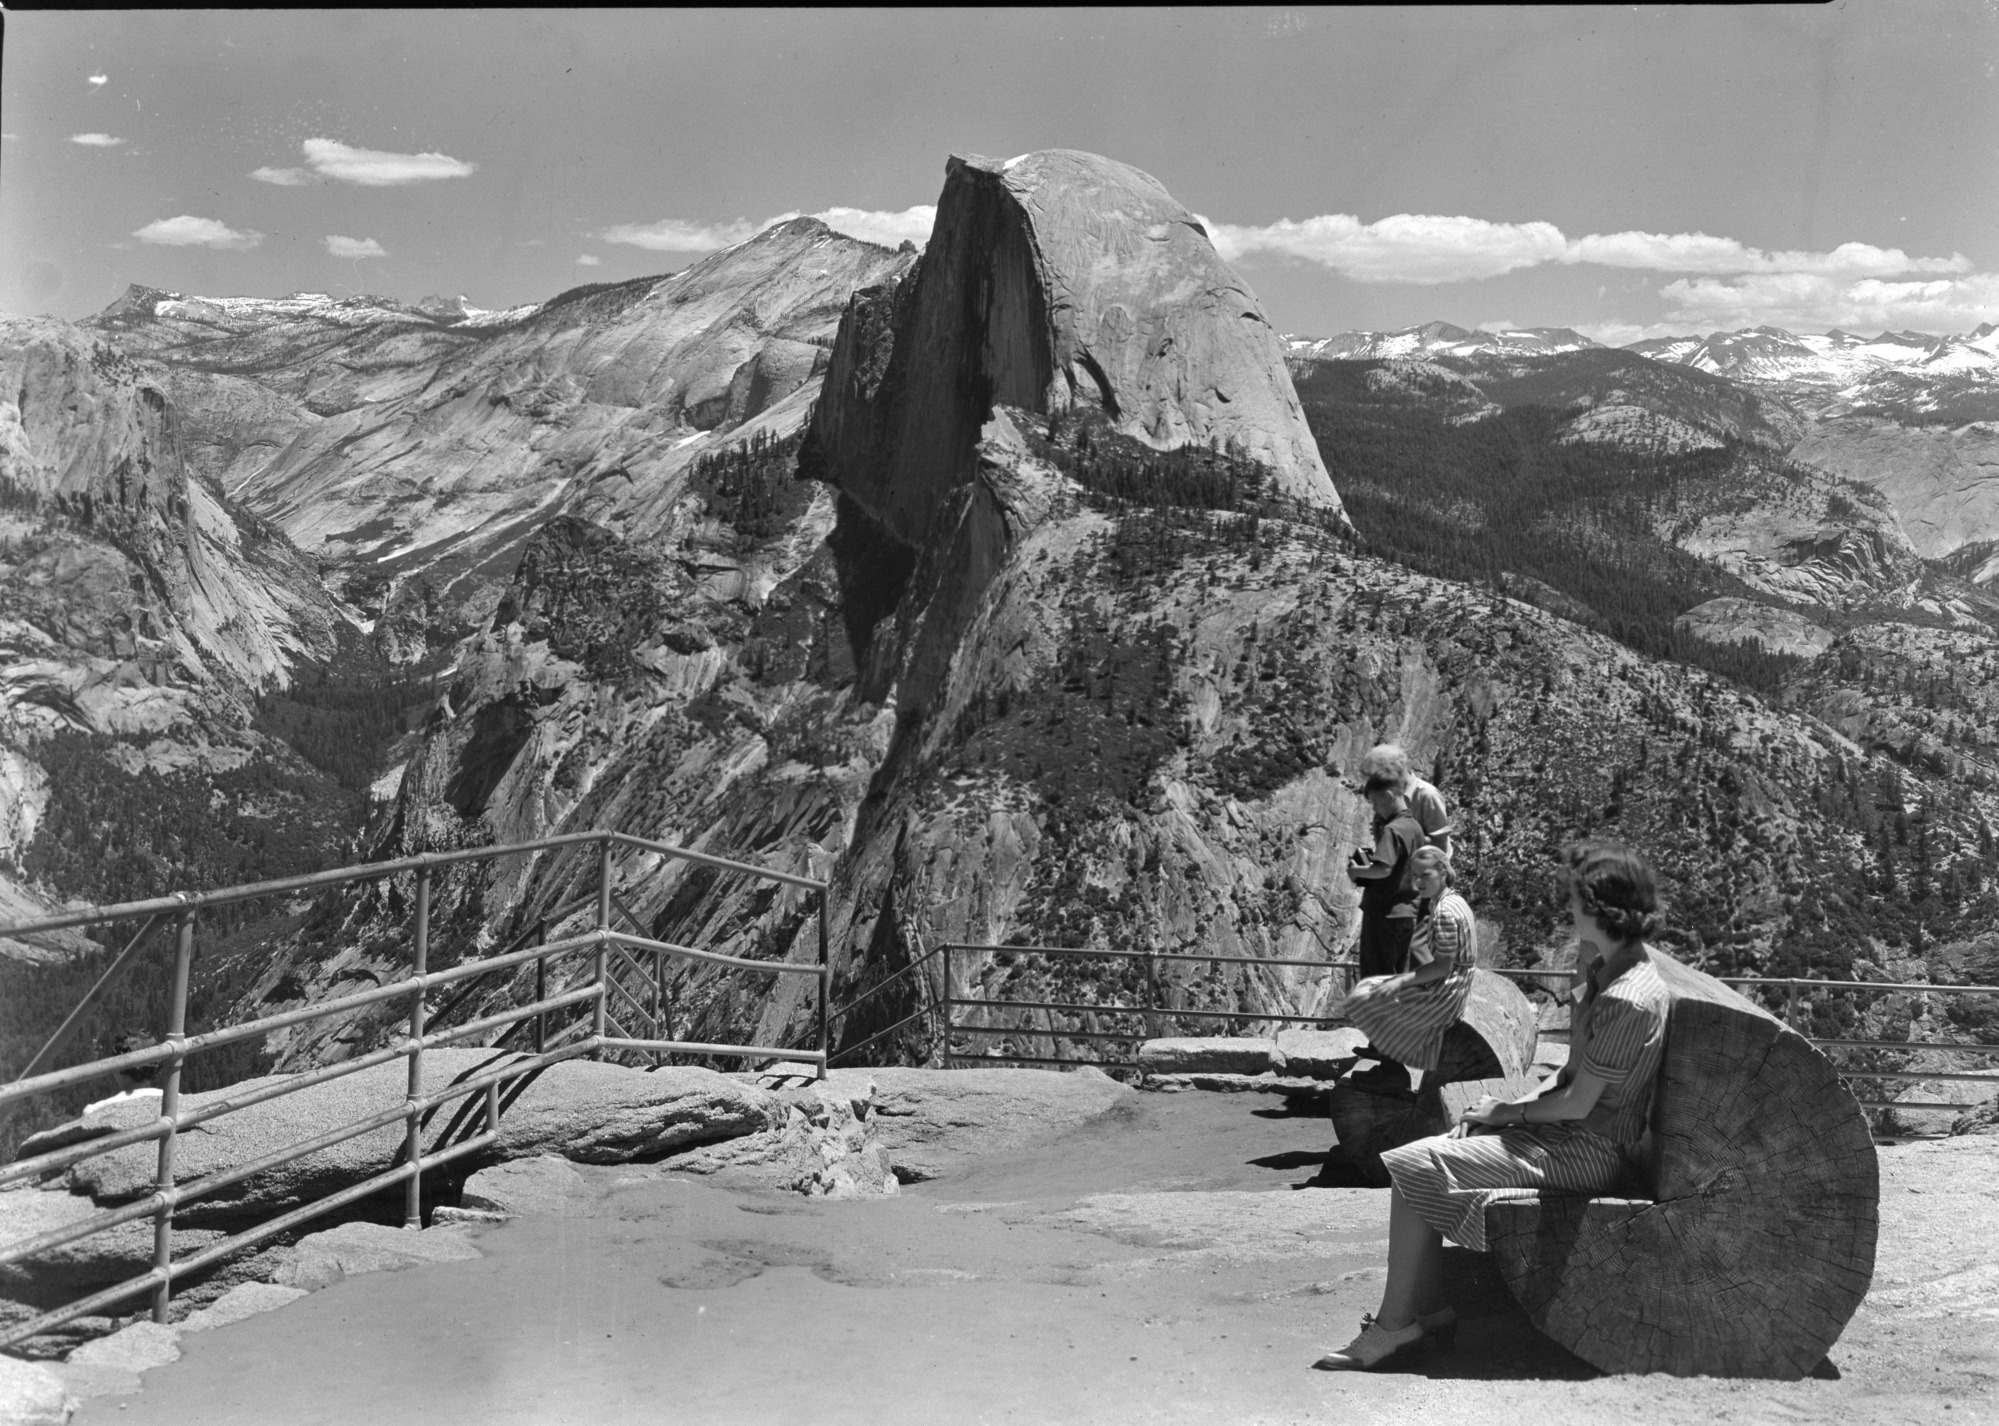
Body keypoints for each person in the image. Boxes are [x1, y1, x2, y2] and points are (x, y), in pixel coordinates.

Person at [1313, 840, 1672, 1372]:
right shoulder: (1612, 975)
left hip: (1589, 1150)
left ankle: (1397, 1327)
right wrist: (1502, 1107)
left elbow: (1578, 1101)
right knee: (1423, 1157)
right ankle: (1429, 1312)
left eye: (1577, 901)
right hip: (1574, 1135)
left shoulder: (1626, 997)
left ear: (1601, 909)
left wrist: (1506, 1115)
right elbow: (1570, 1079)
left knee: (1414, 1163)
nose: (1569, 910)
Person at [1336, 846, 1479, 1092]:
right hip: (1455, 984)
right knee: (1376, 989)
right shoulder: (1455, 901)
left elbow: (1443, 966)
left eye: (1426, 875)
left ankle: (1391, 1071)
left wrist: (1402, 982)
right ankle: (1386, 1056)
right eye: (1415, 875)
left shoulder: (1444, 911)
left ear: (1442, 872)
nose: (1419, 881)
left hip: (1446, 993)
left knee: (1373, 995)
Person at [1344, 773, 1425, 983]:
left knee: (1376, 980)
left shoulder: (1393, 830)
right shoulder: (1415, 828)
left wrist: (1357, 871)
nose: (1374, 809)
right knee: (1395, 980)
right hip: (1407, 913)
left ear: (1388, 795)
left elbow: (1384, 869)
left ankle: (1378, 1017)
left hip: (1384, 914)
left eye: (1375, 801)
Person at [1359, 744, 1452, 859]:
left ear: (1396, 769)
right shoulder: (1387, 794)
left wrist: (1402, 834)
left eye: (1378, 777)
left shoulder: (1427, 795)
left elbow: (1440, 845)